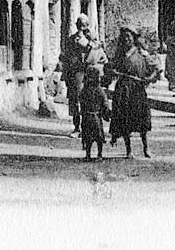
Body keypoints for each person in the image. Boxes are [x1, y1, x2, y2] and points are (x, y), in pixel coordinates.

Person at [107, 28, 156, 158]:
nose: (126, 39)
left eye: (129, 37)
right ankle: (129, 150)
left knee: (142, 119)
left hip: (137, 90)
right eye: (124, 37)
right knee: (125, 119)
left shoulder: (141, 53)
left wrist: (149, 78)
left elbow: (155, 69)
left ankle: (146, 148)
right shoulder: (120, 55)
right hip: (123, 90)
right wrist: (112, 71)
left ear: (134, 38)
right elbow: (110, 67)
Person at [63, 15, 107, 137]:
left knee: (90, 101)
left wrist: (89, 44)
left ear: (87, 26)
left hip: (89, 74)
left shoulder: (93, 41)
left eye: (84, 25)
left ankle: (91, 129)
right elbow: (66, 57)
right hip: (75, 73)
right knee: (75, 101)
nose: (81, 28)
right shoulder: (71, 39)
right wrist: (65, 74)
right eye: (79, 25)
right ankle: (77, 128)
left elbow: (100, 56)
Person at [78, 67, 110, 161]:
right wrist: (106, 113)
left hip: (86, 116)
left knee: (87, 136)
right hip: (96, 116)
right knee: (98, 137)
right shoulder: (100, 90)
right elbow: (105, 103)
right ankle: (99, 155)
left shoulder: (84, 90)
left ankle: (88, 155)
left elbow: (81, 101)